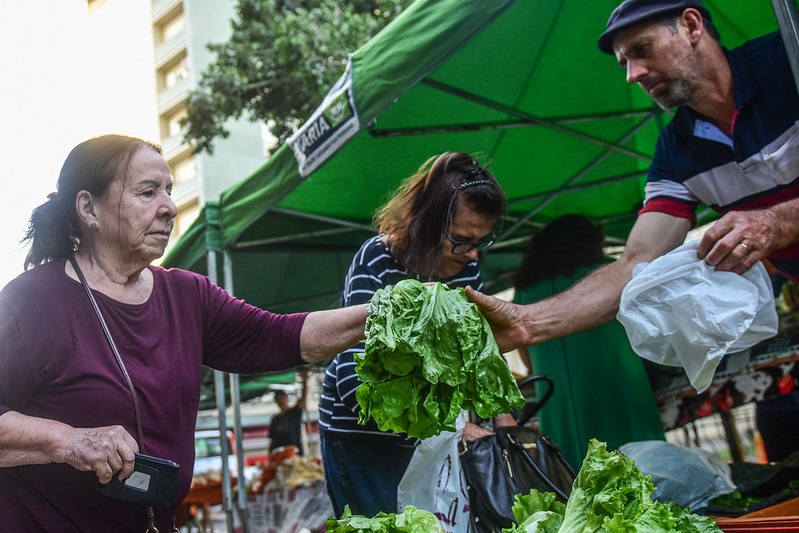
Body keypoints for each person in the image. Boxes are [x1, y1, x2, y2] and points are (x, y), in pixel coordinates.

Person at [466, 0, 799, 462]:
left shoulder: (789, 61)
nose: (632, 74)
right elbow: (636, 262)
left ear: (691, 25)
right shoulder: (675, 152)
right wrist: (527, 323)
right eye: (624, 62)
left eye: (642, 50)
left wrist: (776, 221)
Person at [0, 134, 368, 531]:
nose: (170, 208)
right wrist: (70, 441)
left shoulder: (188, 294)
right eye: (148, 192)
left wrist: (384, 313)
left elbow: (282, 336)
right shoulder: (34, 300)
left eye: (170, 192)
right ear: (89, 207)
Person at [318, 151, 507, 518]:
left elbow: (478, 358)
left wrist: (500, 417)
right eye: (462, 240)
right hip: (364, 442)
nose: (472, 256)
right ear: (427, 223)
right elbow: (350, 376)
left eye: (481, 242)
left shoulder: (464, 270)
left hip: (435, 443)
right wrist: (450, 428)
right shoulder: (377, 259)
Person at [512, 214, 665, 469]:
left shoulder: (526, 289)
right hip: (618, 382)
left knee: (575, 473)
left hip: (556, 394)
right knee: (639, 464)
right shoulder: (608, 273)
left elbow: (525, 352)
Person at [268, 367, 309, 455]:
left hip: (295, 455)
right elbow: (272, 440)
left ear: (286, 398)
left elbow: (302, 400)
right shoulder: (275, 419)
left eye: (282, 398)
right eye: (278, 398)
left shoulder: (294, 413)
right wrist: (270, 455)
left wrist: (304, 382)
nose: (280, 401)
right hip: (279, 456)